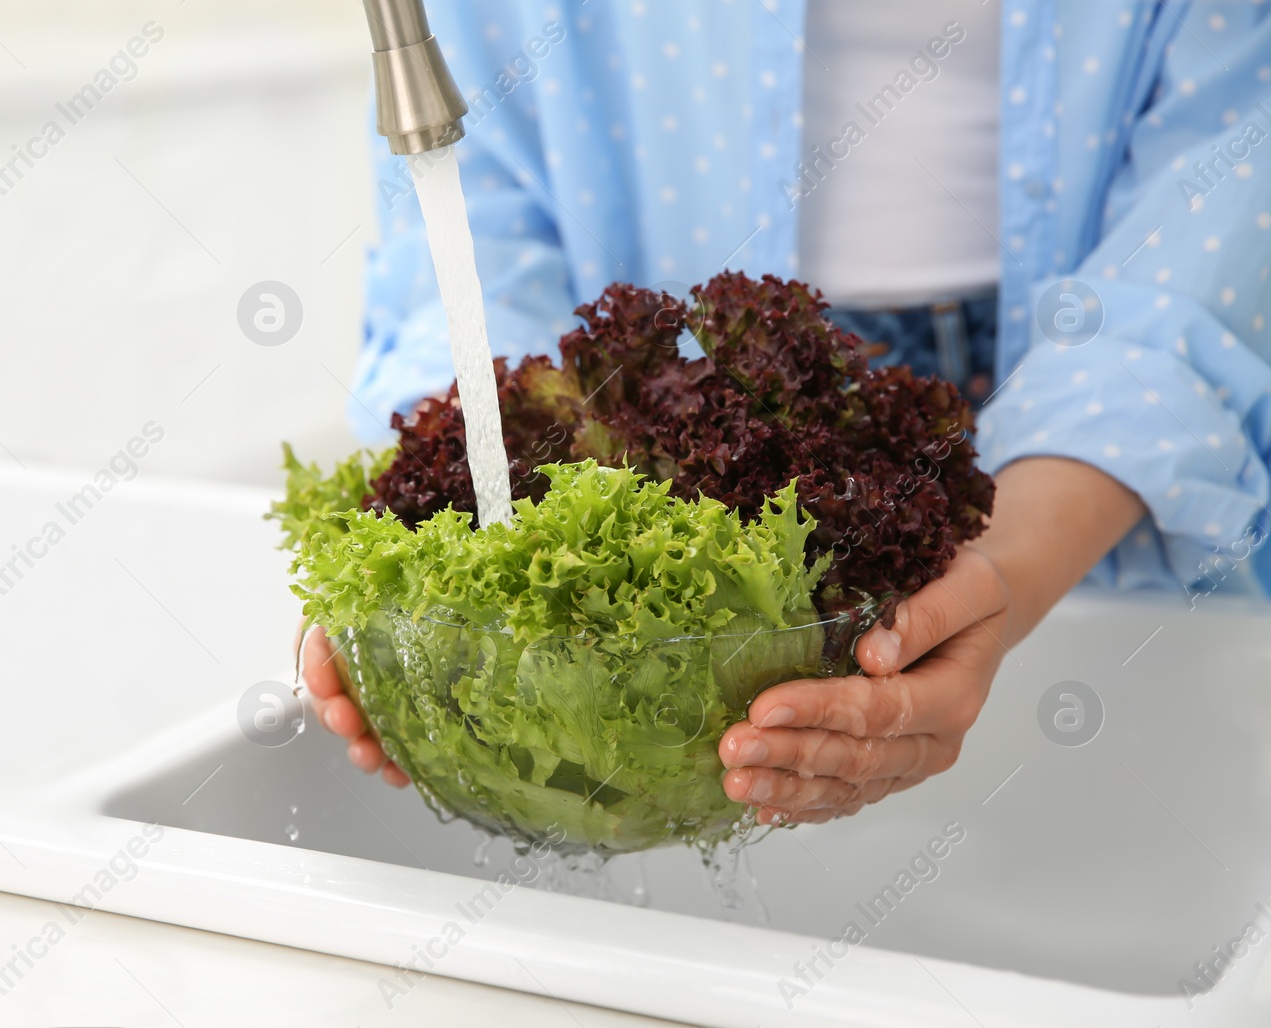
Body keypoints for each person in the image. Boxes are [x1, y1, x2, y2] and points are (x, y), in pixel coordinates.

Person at [302, 0, 1271, 823]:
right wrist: (428, 545)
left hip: (1104, 403)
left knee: (1107, 809)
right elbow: (481, 196)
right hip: (646, 412)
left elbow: (1227, 168)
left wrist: (1009, 567)